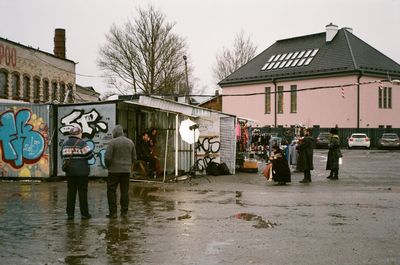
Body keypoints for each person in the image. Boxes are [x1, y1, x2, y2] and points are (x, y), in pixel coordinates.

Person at [61, 126, 94, 220]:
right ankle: (84, 214)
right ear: (79, 133)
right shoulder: (82, 143)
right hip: (82, 173)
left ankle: (70, 214)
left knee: (71, 192)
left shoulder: (65, 143)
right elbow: (90, 156)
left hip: (70, 172)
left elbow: (62, 155)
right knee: (82, 193)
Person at [105, 125, 137, 218]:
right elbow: (134, 158)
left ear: (115, 133)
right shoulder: (130, 142)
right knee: (125, 191)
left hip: (113, 171)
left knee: (111, 191)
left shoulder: (112, 142)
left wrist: (108, 166)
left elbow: (107, 157)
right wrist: (128, 166)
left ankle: (113, 213)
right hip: (126, 171)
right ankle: (124, 212)